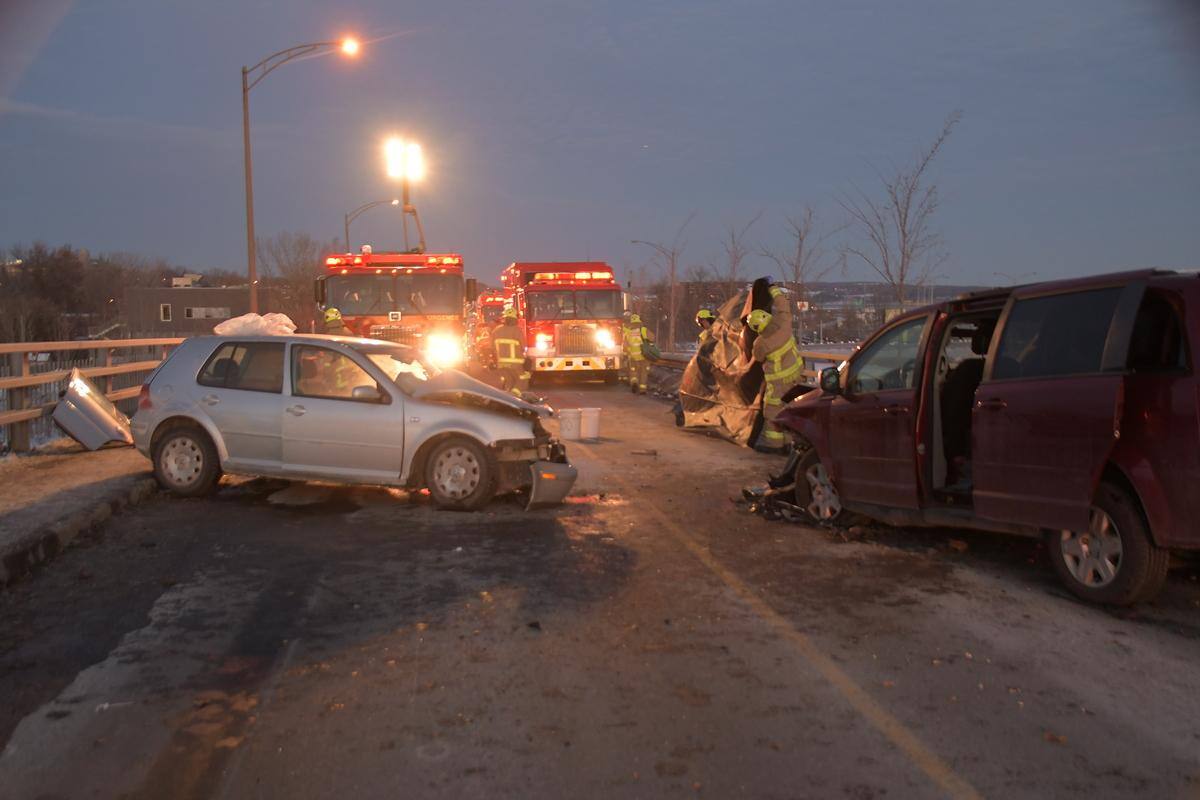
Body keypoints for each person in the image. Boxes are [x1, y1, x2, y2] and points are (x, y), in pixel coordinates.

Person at [747, 283, 802, 453]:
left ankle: (775, 446)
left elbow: (758, 357)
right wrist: (773, 290)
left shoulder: (761, 343)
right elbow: (783, 306)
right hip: (796, 375)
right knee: (790, 409)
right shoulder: (784, 323)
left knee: (772, 412)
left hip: (778, 382)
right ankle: (790, 443)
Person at [491, 307, 530, 397]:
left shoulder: (496, 330)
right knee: (524, 378)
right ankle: (514, 396)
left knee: (510, 381)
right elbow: (524, 346)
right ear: (515, 319)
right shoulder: (517, 330)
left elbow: (492, 348)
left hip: (501, 364)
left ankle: (507, 398)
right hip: (516, 363)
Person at [623, 313, 655, 394]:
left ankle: (634, 383)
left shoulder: (628, 333)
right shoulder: (644, 330)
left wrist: (628, 354)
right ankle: (642, 389)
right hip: (644, 356)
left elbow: (625, 346)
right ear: (639, 321)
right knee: (644, 372)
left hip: (633, 357)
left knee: (634, 372)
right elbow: (652, 338)